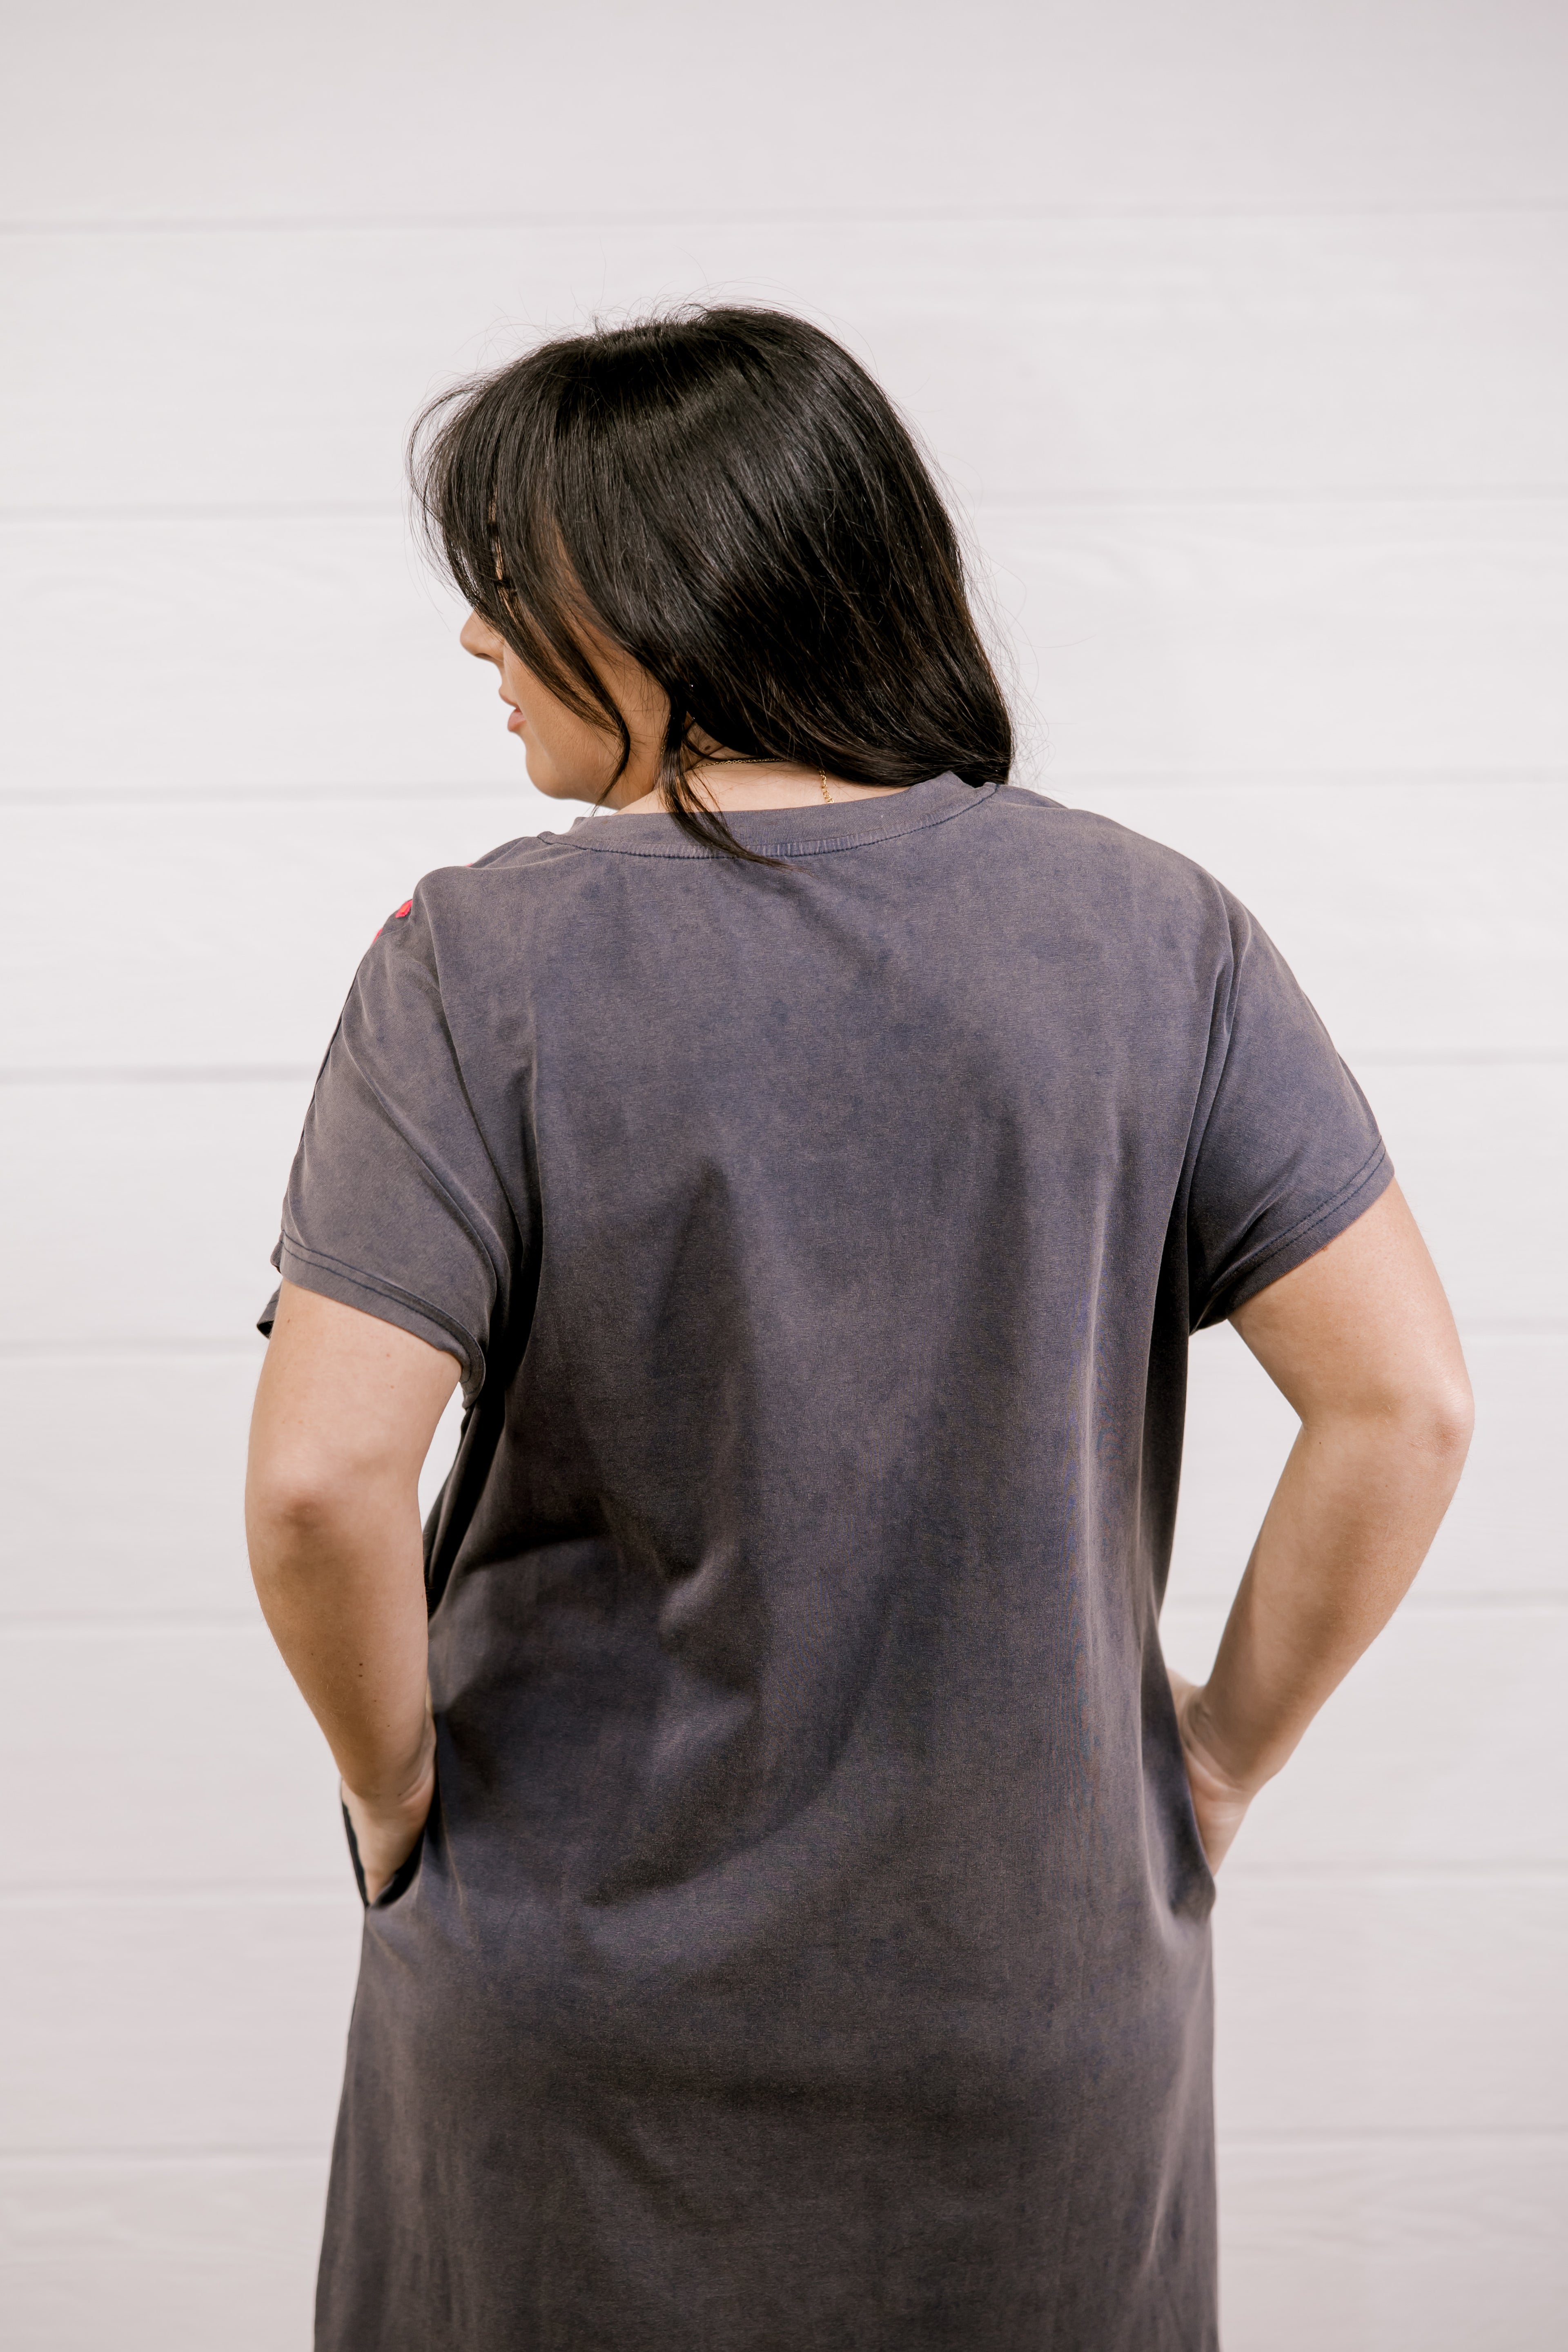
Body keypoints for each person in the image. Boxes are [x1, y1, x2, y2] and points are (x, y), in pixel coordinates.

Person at [245, 307, 1472, 2352]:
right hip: (1040, 2022)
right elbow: (1407, 1405)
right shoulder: (1158, 933)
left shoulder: (476, 963)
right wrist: (1212, 1777)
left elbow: (317, 1480)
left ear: (665, 600)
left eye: (507, 584)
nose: (475, 639)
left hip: (571, 2024)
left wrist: (391, 1802)